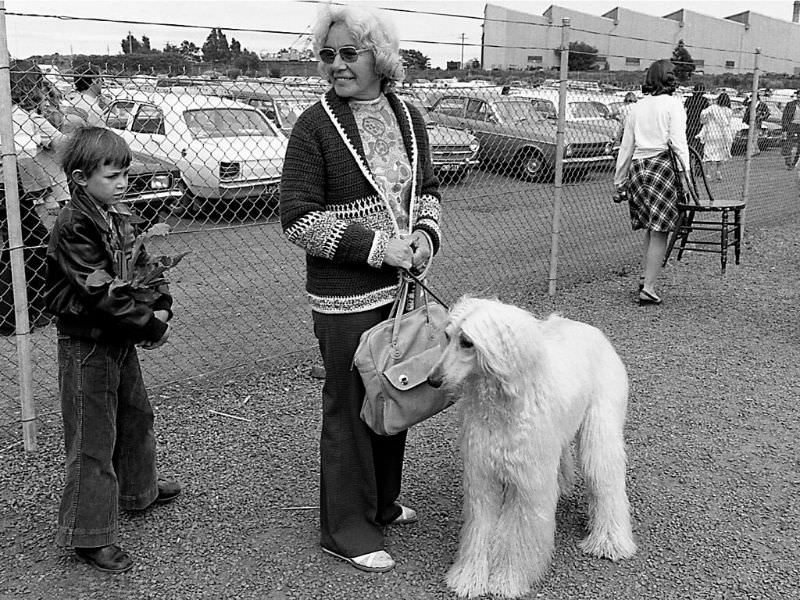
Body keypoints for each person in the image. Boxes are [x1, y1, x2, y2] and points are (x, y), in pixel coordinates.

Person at [279, 4, 442, 574]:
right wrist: (379, 247)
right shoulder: (314, 126)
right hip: (345, 295)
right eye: (328, 55)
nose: (337, 65)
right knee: (349, 404)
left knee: (392, 391)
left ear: (381, 56)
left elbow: (427, 193)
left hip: (401, 290)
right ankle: (344, 527)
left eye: (350, 53)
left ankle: (380, 501)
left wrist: (424, 236)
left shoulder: (408, 115)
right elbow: (297, 218)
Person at [45, 126, 180, 574]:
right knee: (92, 438)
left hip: (117, 337)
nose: (123, 182)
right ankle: (89, 535)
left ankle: (138, 489)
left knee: (136, 414)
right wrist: (149, 325)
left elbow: (141, 264)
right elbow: (97, 290)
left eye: (125, 174)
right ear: (81, 178)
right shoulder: (74, 224)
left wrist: (159, 301)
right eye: (113, 175)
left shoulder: (113, 214)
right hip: (88, 342)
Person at [614, 59, 689, 306]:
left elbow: (627, 145)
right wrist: (686, 175)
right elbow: (678, 144)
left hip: (638, 168)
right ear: (669, 77)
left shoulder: (636, 107)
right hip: (662, 167)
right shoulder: (673, 105)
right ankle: (649, 287)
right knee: (661, 230)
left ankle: (646, 276)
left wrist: (619, 178)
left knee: (650, 225)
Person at [0, 60, 68, 334]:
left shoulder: (15, 114)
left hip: (14, 187)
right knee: (33, 245)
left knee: (22, 245)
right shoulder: (22, 116)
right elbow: (56, 142)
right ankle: (14, 312)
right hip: (10, 187)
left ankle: (18, 309)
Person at [698, 92, 733, 181]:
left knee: (709, 153)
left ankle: (708, 174)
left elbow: (703, 114)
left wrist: (705, 120)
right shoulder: (729, 111)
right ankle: (718, 171)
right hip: (722, 134)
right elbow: (727, 123)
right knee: (720, 154)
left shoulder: (712, 108)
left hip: (711, 133)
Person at [684, 83, 709, 156]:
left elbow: (685, 111)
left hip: (689, 124)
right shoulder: (704, 100)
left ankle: (688, 160)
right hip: (699, 125)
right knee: (699, 145)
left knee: (689, 144)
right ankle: (698, 163)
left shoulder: (688, 99)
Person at [780, 89, 800, 169]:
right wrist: (785, 128)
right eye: (798, 95)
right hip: (792, 125)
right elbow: (784, 117)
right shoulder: (790, 104)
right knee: (788, 144)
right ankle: (788, 163)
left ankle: (795, 162)